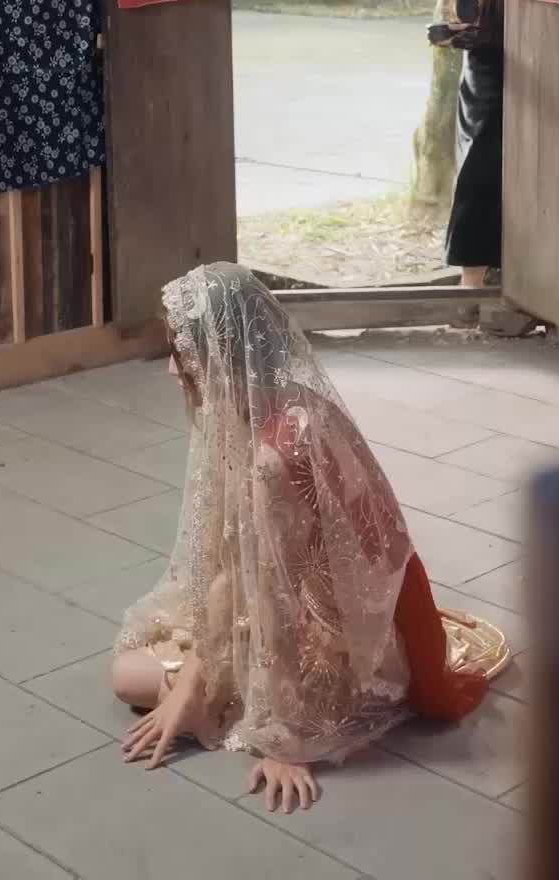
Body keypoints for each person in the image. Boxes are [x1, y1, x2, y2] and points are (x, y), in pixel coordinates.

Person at [111, 264, 495, 811]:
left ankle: (221, 701)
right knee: (144, 665)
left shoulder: (276, 453)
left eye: (184, 353)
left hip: (327, 636)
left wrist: (287, 737)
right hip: (306, 604)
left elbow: (282, 598)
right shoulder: (272, 407)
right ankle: (201, 693)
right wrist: (199, 675)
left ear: (221, 358)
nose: (175, 369)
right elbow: (238, 563)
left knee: (129, 677)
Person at [427, 0, 507, 291]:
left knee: (480, 180)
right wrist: (450, 33)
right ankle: (475, 282)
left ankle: (470, 284)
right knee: (470, 178)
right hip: (472, 82)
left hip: (507, 82)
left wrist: (476, 35)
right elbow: (468, 20)